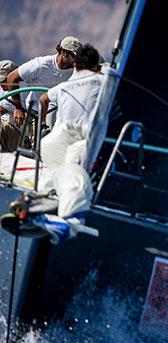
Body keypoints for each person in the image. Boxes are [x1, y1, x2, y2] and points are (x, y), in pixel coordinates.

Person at [31, 44, 103, 242]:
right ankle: (72, 221)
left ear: (75, 65)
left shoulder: (65, 86)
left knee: (54, 172)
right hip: (79, 141)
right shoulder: (103, 82)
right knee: (74, 173)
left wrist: (42, 128)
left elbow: (43, 98)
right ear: (96, 66)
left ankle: (37, 202)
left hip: (53, 140)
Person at [5, 36, 81, 129]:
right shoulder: (41, 64)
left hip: (61, 114)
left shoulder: (77, 69)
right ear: (64, 53)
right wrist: (18, 107)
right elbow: (11, 78)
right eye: (75, 56)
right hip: (36, 113)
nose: (78, 60)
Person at [0, 60, 20, 152]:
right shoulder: (2, 88)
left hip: (16, 134)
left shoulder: (20, 91)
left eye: (4, 80)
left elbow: (1, 110)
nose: (1, 83)